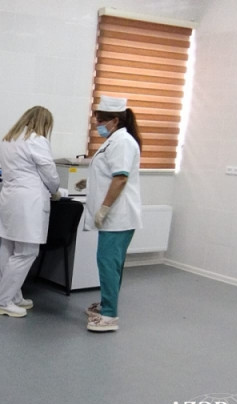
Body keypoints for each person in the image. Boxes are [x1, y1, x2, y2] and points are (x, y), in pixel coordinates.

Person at [78, 95, 142, 332]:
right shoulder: (114, 140)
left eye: (101, 121)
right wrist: (90, 182)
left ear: (115, 120)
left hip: (118, 216)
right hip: (115, 217)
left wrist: (104, 208)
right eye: (97, 120)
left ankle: (109, 316)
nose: (98, 125)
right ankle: (107, 305)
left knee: (108, 265)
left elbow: (121, 177)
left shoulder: (122, 141)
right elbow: (109, 173)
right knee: (110, 265)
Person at [0, 106, 60, 318]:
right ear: (44, 123)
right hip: (28, 201)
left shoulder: (8, 140)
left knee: (8, 248)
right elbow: (49, 172)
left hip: (10, 198)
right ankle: (2, 301)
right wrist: (55, 190)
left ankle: (14, 296)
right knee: (27, 252)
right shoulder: (37, 140)